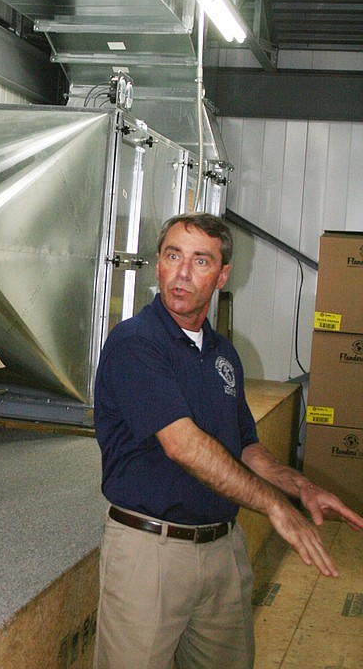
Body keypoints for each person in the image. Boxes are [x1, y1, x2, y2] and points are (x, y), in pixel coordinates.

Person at [92, 212, 363, 669]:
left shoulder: (222, 354)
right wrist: (274, 505)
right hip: (150, 553)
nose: (182, 272)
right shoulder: (135, 343)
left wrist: (298, 487)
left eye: (201, 261)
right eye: (173, 255)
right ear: (157, 265)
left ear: (222, 276)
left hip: (221, 550)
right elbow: (184, 446)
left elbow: (245, 447)